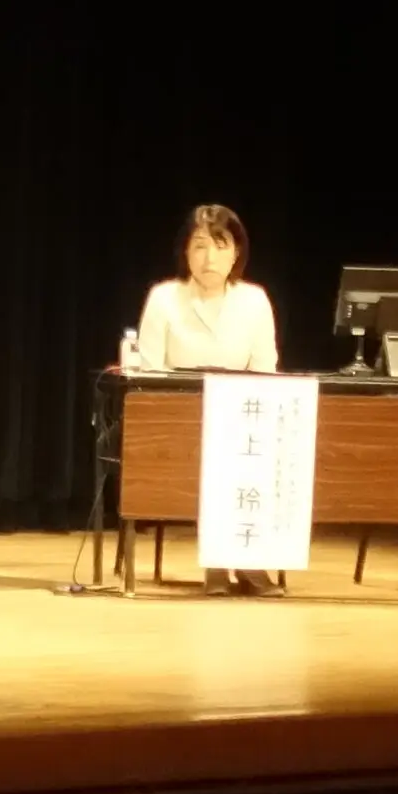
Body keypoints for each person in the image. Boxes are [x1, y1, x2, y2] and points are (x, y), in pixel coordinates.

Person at [134, 203, 282, 596]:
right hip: (181, 420)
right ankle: (222, 561)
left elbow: (266, 370)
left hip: (242, 419)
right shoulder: (164, 298)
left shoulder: (254, 300)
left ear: (237, 253)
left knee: (254, 447)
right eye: (199, 246)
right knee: (216, 449)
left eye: (220, 245)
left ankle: (246, 558)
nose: (209, 257)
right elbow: (149, 371)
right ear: (185, 252)